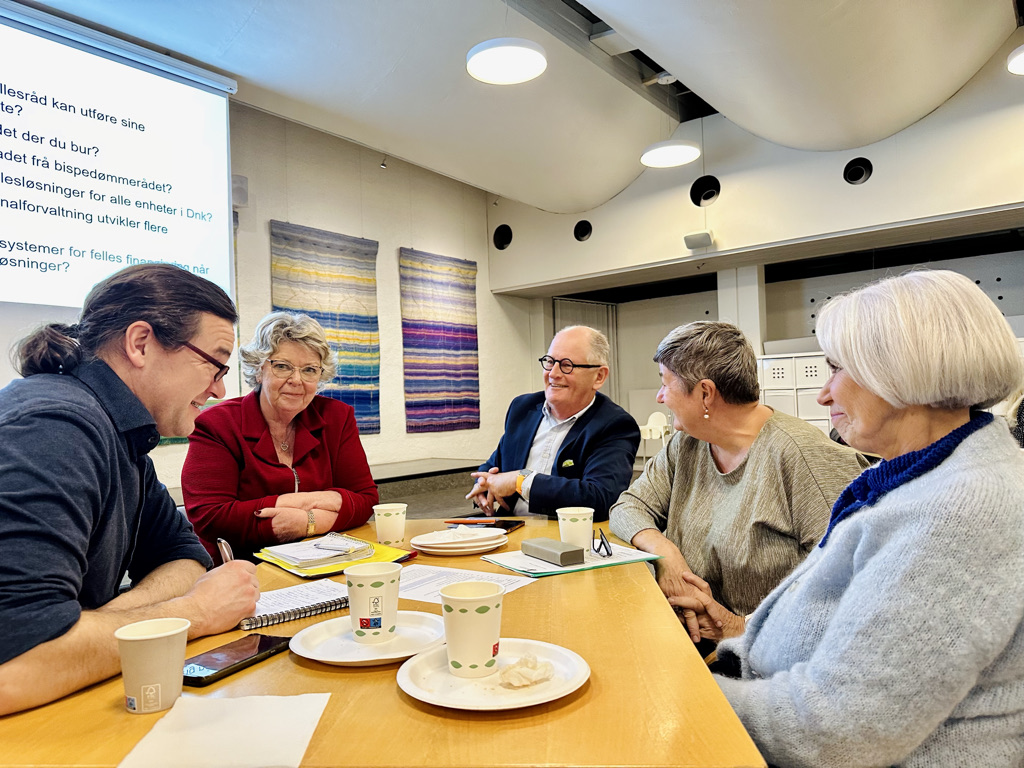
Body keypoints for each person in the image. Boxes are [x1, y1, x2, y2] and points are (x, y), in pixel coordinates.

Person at [678, 271, 1024, 766]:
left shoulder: (963, 510)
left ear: (902, 374)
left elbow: (839, 730)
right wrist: (742, 632)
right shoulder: (922, 473)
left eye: (837, 368)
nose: (823, 394)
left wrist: (680, 691)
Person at [0, 264, 260, 716]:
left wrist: (103, 624)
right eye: (215, 364)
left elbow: (185, 555)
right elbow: (14, 665)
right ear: (141, 343)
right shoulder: (54, 427)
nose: (219, 390)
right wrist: (194, 614)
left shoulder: (122, 436)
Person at [609, 321, 868, 644]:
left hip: (771, 652)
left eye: (665, 383)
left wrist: (739, 627)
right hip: (694, 639)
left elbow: (847, 582)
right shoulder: (687, 443)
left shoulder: (803, 455)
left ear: (705, 393)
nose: (660, 397)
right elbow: (628, 507)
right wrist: (665, 554)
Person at [183, 311, 378, 563]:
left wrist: (306, 521)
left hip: (325, 561)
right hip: (245, 569)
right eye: (282, 366)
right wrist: (327, 505)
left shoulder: (336, 417)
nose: (296, 380)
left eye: (309, 370)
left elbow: (366, 499)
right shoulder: (217, 424)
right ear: (258, 369)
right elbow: (211, 517)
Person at [468, 325, 640, 521]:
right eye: (550, 362)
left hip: (567, 540)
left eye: (567, 365)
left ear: (599, 376)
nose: (553, 373)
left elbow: (600, 498)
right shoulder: (523, 408)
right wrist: (483, 483)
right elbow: (495, 465)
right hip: (509, 532)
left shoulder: (615, 425)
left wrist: (521, 481)